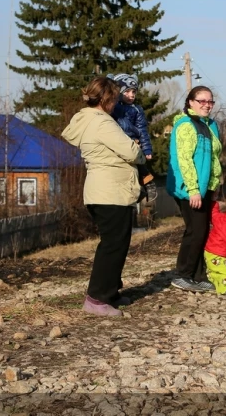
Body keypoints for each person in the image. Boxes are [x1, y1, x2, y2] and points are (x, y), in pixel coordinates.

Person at [61, 76, 145, 316]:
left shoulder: (86, 119)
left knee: (116, 243)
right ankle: (96, 299)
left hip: (103, 190)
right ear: (107, 98)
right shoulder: (102, 123)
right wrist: (137, 147)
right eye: (115, 98)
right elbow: (130, 151)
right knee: (112, 245)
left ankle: (110, 293)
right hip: (111, 191)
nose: (117, 102)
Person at [166, 86, 222, 293]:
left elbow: (214, 157)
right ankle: (183, 274)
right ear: (190, 102)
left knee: (202, 230)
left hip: (205, 187)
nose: (206, 105)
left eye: (210, 101)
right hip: (188, 188)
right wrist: (193, 189)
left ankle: (198, 276)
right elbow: (184, 161)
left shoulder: (210, 125)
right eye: (202, 101)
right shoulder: (186, 125)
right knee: (196, 231)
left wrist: (213, 185)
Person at [107, 73, 158, 203]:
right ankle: (137, 191)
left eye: (133, 92)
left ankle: (149, 184)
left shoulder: (136, 109)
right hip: (117, 142)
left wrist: (147, 149)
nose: (131, 95)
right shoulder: (112, 107)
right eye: (127, 91)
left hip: (133, 142)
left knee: (139, 165)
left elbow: (142, 130)